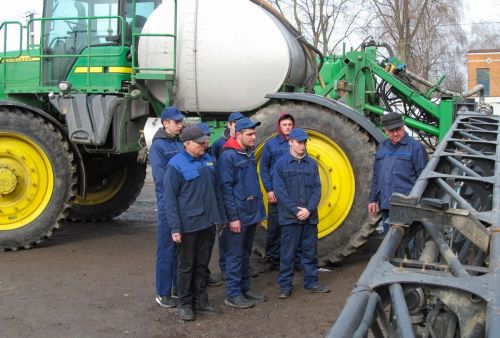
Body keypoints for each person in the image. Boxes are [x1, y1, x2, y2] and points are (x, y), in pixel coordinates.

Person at [164, 125, 228, 321]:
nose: (204, 145)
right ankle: (184, 304)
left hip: (208, 223)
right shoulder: (176, 165)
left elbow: (217, 191)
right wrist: (175, 227)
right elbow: (170, 199)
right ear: (187, 144)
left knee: (201, 265)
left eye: (205, 142)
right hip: (188, 226)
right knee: (186, 266)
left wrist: (221, 217)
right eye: (200, 143)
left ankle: (201, 300)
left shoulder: (209, 160)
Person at [273, 128, 329, 299]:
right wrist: (296, 210)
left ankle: (311, 282)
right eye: (299, 142)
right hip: (290, 218)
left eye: (304, 142)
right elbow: (280, 191)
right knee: (288, 253)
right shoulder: (281, 164)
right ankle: (285, 286)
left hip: (309, 217)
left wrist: (309, 210)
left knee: (310, 252)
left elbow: (317, 189)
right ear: (290, 142)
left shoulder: (312, 164)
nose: (302, 146)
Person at [218, 117, 267, 309]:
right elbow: (226, 190)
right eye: (250, 134)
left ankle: (245, 289)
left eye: (254, 134)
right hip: (238, 216)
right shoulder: (228, 157)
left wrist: (259, 213)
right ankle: (233, 294)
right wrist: (232, 218)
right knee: (235, 256)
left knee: (245, 254)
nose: (254, 137)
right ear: (238, 135)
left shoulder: (248, 154)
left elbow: (254, 186)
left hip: (250, 214)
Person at [149, 106, 185, 308]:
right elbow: (161, 180)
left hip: (182, 202)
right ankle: (163, 292)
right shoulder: (159, 147)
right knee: (167, 248)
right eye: (176, 122)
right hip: (167, 204)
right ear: (165, 123)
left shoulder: (178, 143)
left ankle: (176, 288)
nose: (180, 125)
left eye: (180, 122)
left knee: (180, 249)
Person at [368, 112, 428, 233]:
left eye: (398, 129)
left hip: (407, 208)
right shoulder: (382, 147)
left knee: (406, 245)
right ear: (385, 130)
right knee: (389, 245)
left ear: (403, 126)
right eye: (391, 131)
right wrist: (372, 199)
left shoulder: (416, 148)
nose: (395, 133)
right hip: (387, 206)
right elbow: (377, 176)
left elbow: (423, 179)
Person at [259, 112, 295, 272]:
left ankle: (291, 259)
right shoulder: (271, 145)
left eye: (289, 125)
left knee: (293, 227)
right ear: (279, 126)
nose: (287, 128)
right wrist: (269, 190)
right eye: (284, 125)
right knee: (274, 228)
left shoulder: (296, 144)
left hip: (292, 193)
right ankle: (271, 258)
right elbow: (264, 169)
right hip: (276, 194)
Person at [196, 122, 223, 287]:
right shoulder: (185, 160)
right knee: (195, 252)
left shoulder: (209, 156)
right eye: (203, 139)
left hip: (211, 210)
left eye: (208, 137)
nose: (206, 141)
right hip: (198, 211)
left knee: (208, 246)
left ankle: (204, 275)